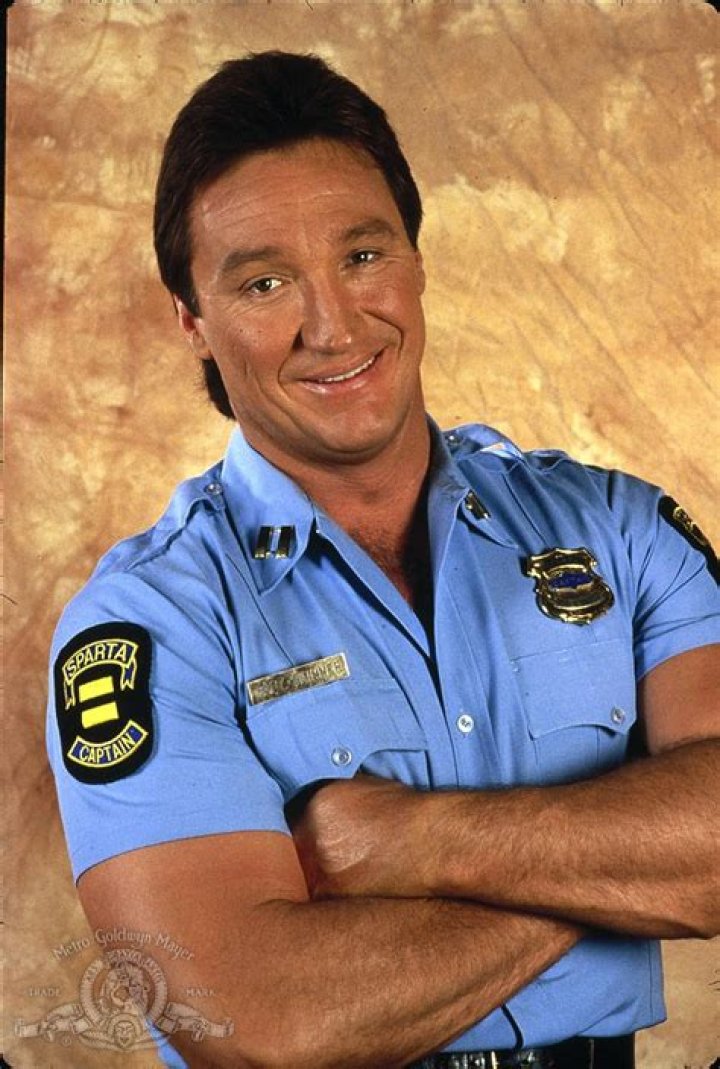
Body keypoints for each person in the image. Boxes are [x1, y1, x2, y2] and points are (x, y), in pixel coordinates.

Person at [47, 50, 719, 1069]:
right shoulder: (149, 625)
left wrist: (416, 841)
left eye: (362, 255)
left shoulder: (618, 529)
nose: (334, 326)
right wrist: (632, 857)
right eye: (266, 281)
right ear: (192, 319)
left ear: (415, 256)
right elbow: (262, 1025)